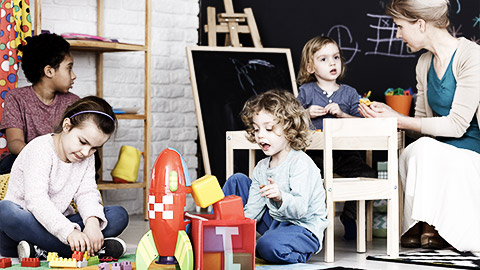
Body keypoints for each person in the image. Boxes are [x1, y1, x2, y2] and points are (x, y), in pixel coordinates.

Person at [359, 0, 480, 251]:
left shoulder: (472, 57)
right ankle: (426, 224)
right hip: (437, 153)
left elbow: (456, 126)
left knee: (424, 149)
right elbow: (421, 124)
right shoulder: (424, 63)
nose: (397, 34)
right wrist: (388, 115)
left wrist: (398, 119)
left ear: (421, 24)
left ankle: (429, 223)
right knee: (416, 149)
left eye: (400, 26)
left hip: (471, 155)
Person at [0, 96, 129, 260]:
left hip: (61, 222)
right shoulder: (40, 149)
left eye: (94, 148)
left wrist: (92, 223)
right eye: (82, 141)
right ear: (67, 126)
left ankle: (41, 251)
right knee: (5, 211)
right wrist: (69, 232)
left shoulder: (86, 157)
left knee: (118, 215)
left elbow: (87, 192)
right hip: (26, 225)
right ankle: (86, 251)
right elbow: (36, 201)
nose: (85, 152)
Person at [222, 90, 328, 264]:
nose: (260, 135)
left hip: (303, 228)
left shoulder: (301, 163)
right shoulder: (262, 167)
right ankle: (218, 231)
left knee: (265, 246)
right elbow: (253, 209)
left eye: (269, 129)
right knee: (237, 180)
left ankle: (294, 253)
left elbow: (300, 209)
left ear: (289, 129)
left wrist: (280, 197)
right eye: (256, 129)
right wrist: (242, 228)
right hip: (276, 222)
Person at [296, 36, 376, 240]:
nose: (332, 63)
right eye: (323, 59)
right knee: (306, 180)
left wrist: (342, 115)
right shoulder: (306, 92)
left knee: (369, 176)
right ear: (309, 68)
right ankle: (310, 224)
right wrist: (306, 114)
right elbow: (289, 121)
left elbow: (364, 123)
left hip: (344, 153)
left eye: (336, 57)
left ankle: (349, 217)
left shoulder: (349, 94)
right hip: (315, 156)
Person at [0, 33, 79, 174]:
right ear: (49, 71)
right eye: (69, 68)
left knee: (89, 162)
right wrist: (41, 159)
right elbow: (15, 142)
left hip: (62, 162)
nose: (73, 76)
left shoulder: (73, 102)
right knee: (8, 163)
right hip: (28, 159)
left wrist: (56, 162)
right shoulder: (16, 98)